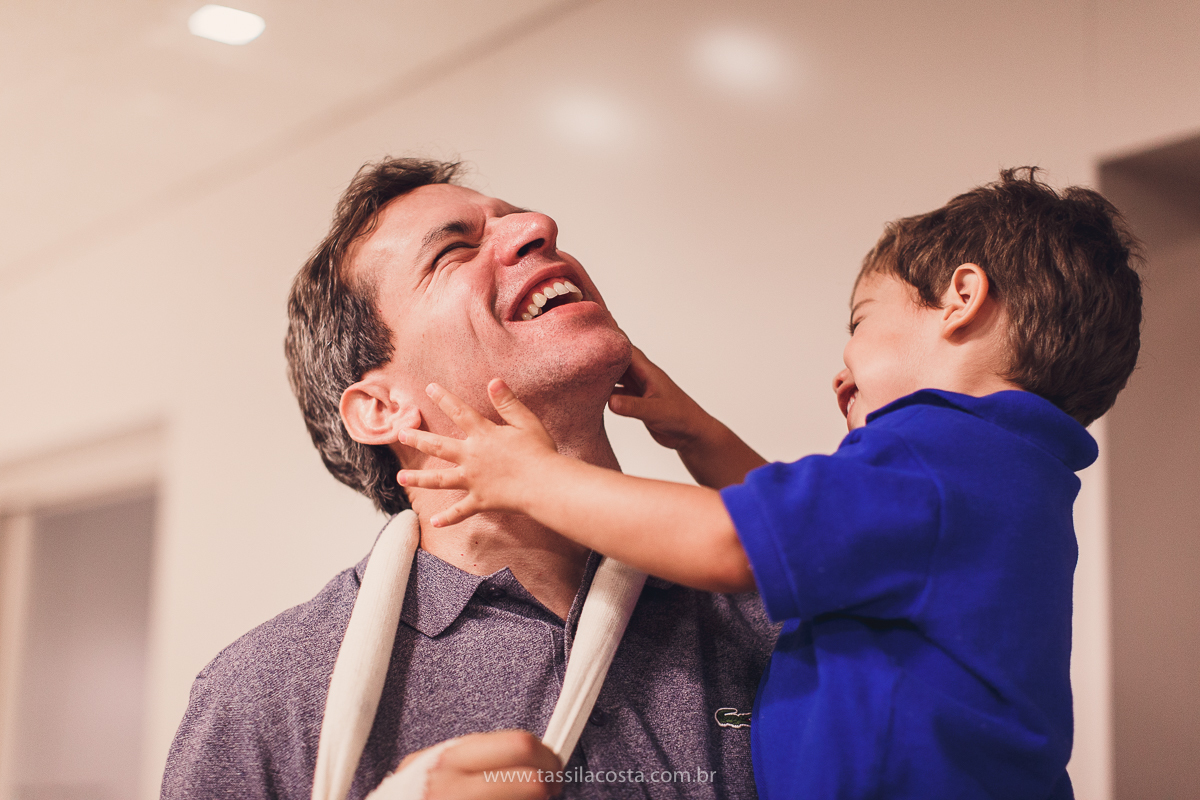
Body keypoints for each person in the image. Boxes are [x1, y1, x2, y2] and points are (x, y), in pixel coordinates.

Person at [397, 168, 1144, 799]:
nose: (840, 368)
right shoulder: (998, 474)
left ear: (961, 297)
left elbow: (733, 544)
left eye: (860, 320)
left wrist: (531, 476)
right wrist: (696, 430)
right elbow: (809, 541)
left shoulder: (940, 453)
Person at [160, 158, 776, 800]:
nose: (541, 227)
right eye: (454, 251)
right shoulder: (267, 696)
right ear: (380, 408)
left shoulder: (763, 607)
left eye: (518, 219)